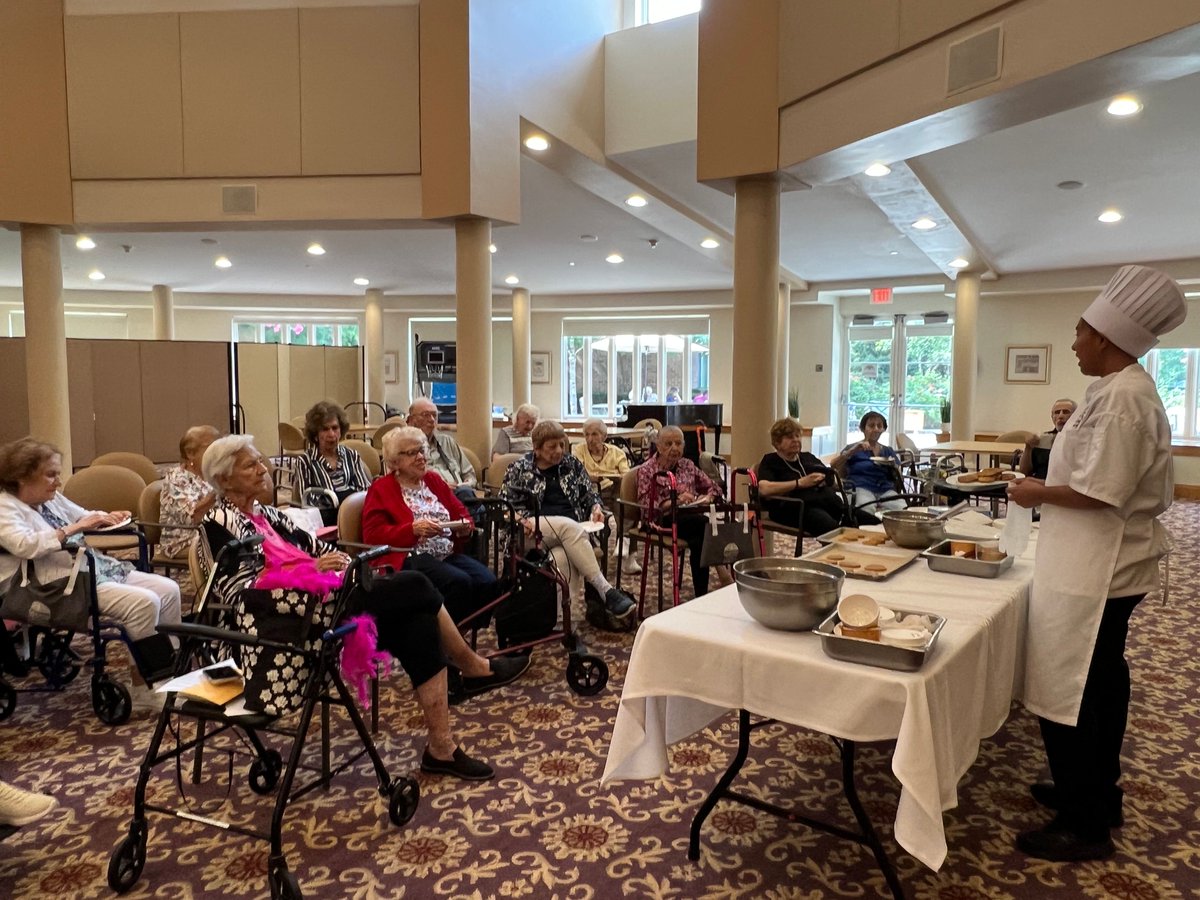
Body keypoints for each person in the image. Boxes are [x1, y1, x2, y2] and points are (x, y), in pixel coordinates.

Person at [201, 435, 527, 781]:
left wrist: (330, 562)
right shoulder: (217, 524)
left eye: (260, 461)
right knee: (416, 583)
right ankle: (471, 665)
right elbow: (241, 592)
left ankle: (441, 750)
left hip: (329, 607)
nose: (263, 469)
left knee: (418, 624)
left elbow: (318, 548)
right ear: (223, 479)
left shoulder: (268, 515)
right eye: (251, 465)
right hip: (288, 626)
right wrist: (311, 571)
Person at [1006, 265, 1186, 862]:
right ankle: (1091, 792)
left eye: (1080, 332)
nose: (1075, 341)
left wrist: (1035, 492)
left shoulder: (1124, 400)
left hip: (1102, 568)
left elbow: (1101, 490)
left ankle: (1085, 824)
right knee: (1099, 681)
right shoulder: (1112, 391)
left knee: (1078, 682)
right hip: (1093, 562)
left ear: (1106, 338)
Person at [0, 437, 182, 704]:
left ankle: (170, 675)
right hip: (46, 586)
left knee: (168, 590)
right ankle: (145, 686)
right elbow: (26, 545)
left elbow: (81, 514)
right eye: (50, 475)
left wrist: (107, 516)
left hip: (82, 570)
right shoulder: (5, 508)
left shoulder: (48, 499)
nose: (58, 482)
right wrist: (76, 528)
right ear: (22, 476)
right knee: (144, 603)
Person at [500, 421, 636, 622]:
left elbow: (590, 495)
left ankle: (561, 622)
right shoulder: (519, 468)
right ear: (537, 449)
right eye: (552, 447)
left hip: (570, 534)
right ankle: (605, 590)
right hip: (529, 531)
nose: (559, 451)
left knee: (562, 558)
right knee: (569, 527)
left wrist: (596, 508)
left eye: (562, 445)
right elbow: (503, 506)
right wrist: (519, 519)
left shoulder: (571, 464)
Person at [363, 427, 499, 625]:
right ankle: (446, 642)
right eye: (412, 453)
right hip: (409, 556)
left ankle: (460, 634)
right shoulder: (381, 489)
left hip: (445, 552)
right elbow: (373, 535)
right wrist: (413, 529)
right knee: (459, 582)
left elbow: (462, 513)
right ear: (395, 462)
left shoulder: (433, 480)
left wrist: (463, 527)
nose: (421, 457)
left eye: (422, 450)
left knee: (488, 582)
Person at [636, 425, 731, 597]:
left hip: (689, 519)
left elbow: (715, 487)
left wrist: (708, 496)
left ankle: (701, 594)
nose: (674, 448)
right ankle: (721, 572)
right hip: (660, 520)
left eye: (678, 443)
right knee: (704, 524)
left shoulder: (687, 465)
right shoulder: (647, 470)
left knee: (698, 540)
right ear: (658, 445)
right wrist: (674, 501)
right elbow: (645, 507)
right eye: (669, 444)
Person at [756, 417, 878, 535]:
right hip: (795, 508)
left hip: (829, 504)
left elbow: (831, 478)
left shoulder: (807, 457)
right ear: (777, 442)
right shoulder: (771, 461)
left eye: (798, 436)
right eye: (789, 437)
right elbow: (764, 489)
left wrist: (827, 481)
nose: (796, 440)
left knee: (873, 521)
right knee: (833, 529)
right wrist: (799, 483)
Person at [571, 418, 640, 574]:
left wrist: (610, 477)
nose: (590, 439)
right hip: (590, 493)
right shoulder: (578, 450)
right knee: (619, 497)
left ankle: (627, 550)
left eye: (594, 434)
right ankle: (625, 541)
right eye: (586, 434)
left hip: (613, 490)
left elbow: (626, 475)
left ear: (604, 436)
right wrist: (601, 476)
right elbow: (580, 475)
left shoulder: (617, 452)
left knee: (627, 497)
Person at [294, 401, 373, 526]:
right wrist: (339, 499)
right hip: (324, 517)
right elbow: (307, 499)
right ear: (315, 434)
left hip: (352, 513)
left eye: (335, 428)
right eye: (325, 429)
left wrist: (347, 502)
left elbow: (364, 489)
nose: (331, 434)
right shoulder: (305, 460)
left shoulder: (351, 455)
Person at [160, 425, 220, 558]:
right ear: (190, 453)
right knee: (233, 547)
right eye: (212, 448)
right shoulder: (176, 479)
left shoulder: (212, 474)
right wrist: (219, 490)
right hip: (183, 540)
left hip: (212, 532)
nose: (218, 453)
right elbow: (193, 517)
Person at [407, 398, 478, 506]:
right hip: (427, 499)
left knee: (468, 496)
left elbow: (469, 474)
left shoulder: (447, 442)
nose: (431, 419)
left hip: (459, 494)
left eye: (434, 415)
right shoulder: (404, 447)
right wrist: (440, 487)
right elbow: (404, 481)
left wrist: (466, 484)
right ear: (411, 420)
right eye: (426, 415)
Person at [833, 411, 906, 512]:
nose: (876, 429)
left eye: (879, 426)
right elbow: (834, 466)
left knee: (901, 509)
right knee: (865, 508)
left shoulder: (887, 451)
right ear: (863, 428)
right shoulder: (853, 448)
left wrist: (894, 468)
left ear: (883, 429)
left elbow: (899, 475)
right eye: (871, 426)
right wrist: (852, 451)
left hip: (885, 490)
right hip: (860, 487)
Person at [1019, 398, 1078, 479]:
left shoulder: (1082, 439)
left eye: (1066, 412)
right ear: (1052, 417)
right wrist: (1028, 447)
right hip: (1039, 483)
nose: (1060, 416)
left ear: (1076, 416)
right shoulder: (1043, 439)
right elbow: (1024, 472)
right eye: (1057, 412)